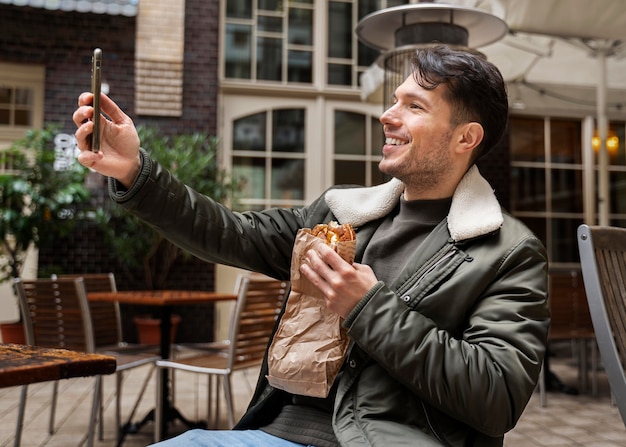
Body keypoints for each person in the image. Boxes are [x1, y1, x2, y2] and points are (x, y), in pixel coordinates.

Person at [72, 45, 549, 447]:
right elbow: (229, 232)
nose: (388, 115)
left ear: (466, 137)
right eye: (395, 100)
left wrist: (367, 307)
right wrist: (135, 171)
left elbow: (497, 395)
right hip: (276, 430)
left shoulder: (506, 252)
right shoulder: (339, 215)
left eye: (414, 106)